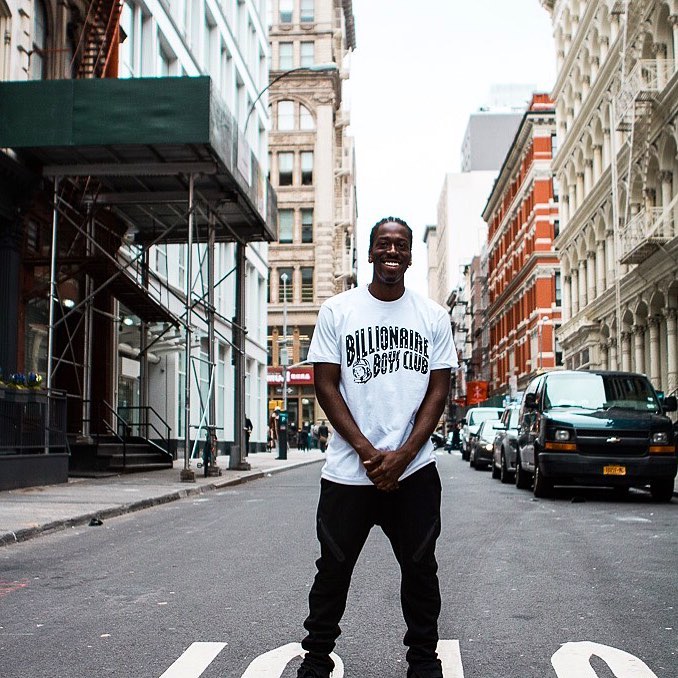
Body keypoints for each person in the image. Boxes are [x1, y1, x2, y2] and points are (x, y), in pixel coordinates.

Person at [296, 217, 457, 678]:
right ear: (370, 254)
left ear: (410, 256)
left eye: (400, 245)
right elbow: (324, 385)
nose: (392, 251)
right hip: (350, 471)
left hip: (414, 472)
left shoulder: (432, 317)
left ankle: (423, 660)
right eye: (383, 244)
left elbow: (438, 390)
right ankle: (316, 658)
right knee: (333, 570)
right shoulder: (338, 311)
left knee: (421, 569)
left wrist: (403, 455)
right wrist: (369, 452)